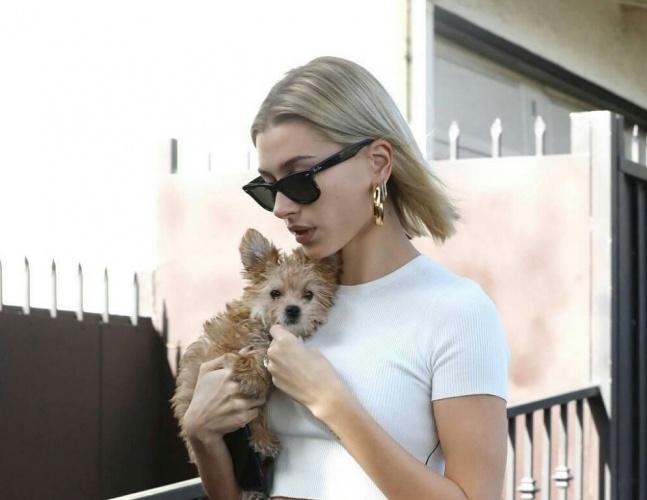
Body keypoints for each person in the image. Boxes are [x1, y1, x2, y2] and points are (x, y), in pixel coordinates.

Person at [183, 56, 511, 500]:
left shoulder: (456, 311)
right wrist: (203, 436)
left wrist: (332, 403)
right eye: (269, 187)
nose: (281, 207)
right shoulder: (283, 305)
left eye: (299, 178)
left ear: (377, 163)